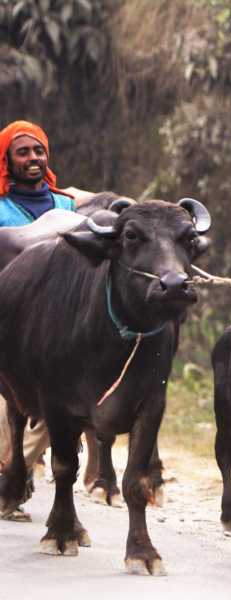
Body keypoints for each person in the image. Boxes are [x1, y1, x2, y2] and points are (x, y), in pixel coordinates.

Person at [0, 120, 79, 521]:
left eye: (39, 152)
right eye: (23, 152)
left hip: (55, 320)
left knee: (61, 401)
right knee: (7, 406)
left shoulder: (65, 205)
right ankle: (10, 476)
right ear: (6, 160)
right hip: (7, 317)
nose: (33, 159)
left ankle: (12, 473)